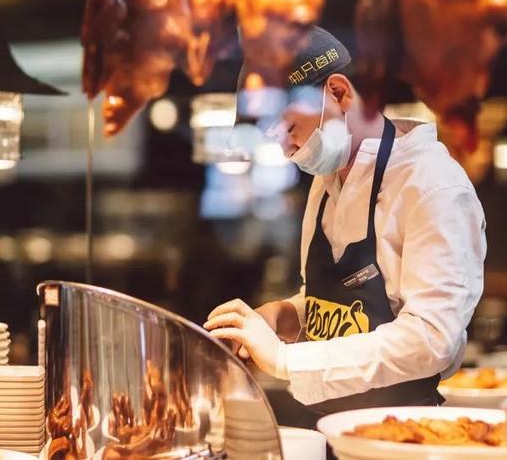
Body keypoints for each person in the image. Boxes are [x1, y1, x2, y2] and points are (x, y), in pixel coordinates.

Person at [204, 26, 486, 413]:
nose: (287, 151)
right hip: (327, 427)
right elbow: (337, 306)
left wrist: (286, 361)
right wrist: (283, 317)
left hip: (399, 436)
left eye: (288, 129)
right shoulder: (326, 182)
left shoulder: (432, 186)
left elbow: (432, 338)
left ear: (338, 93)